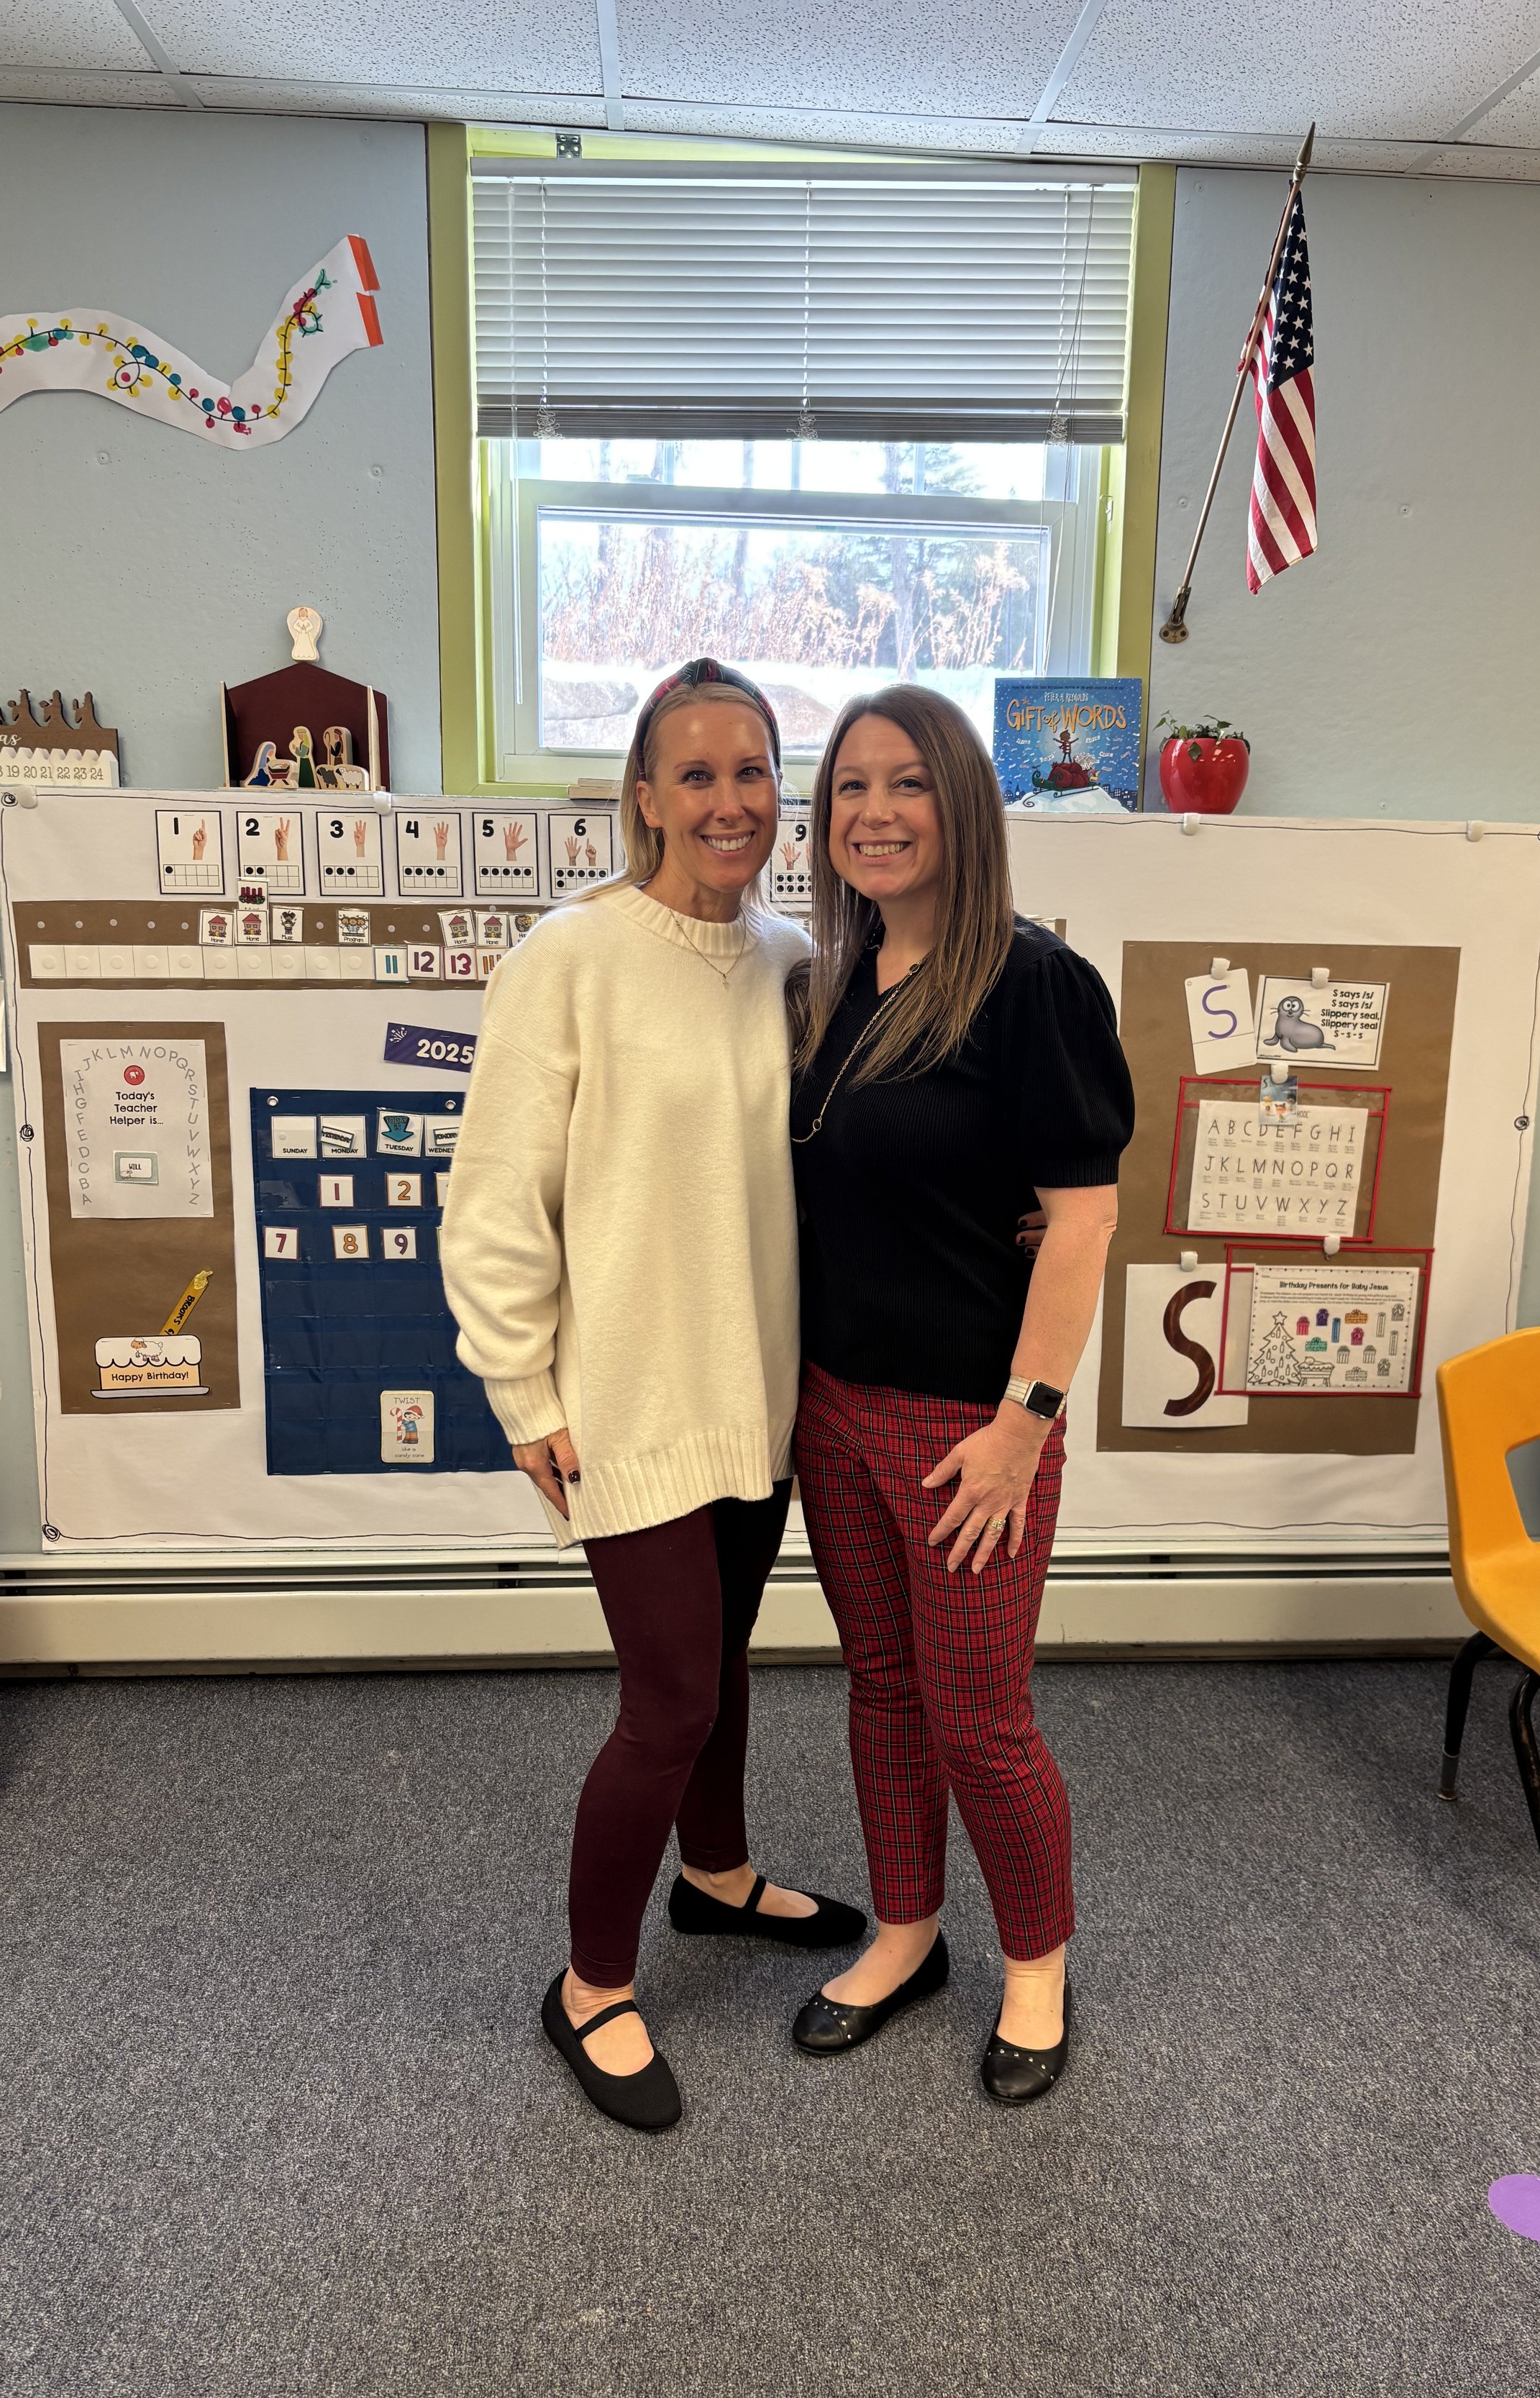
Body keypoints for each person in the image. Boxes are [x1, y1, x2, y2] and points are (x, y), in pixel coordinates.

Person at [440, 658, 864, 2135]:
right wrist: (521, 1386)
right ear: (640, 795)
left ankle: (720, 1873)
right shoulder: (569, 955)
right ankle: (590, 1983)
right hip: (622, 1391)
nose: (729, 800)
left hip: (755, 1383)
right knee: (668, 1695)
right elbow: (494, 1196)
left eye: (751, 771)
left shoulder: (795, 959)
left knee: (728, 1655)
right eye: (695, 774)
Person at [785, 685, 1133, 2107]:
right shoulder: (828, 978)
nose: (872, 808)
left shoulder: (1031, 980)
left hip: (967, 1429)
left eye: (907, 782)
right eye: (850, 784)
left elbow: (1084, 1219)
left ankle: (1035, 1963)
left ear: (962, 808)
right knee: (879, 1689)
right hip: (832, 1406)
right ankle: (906, 1926)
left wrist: (1019, 1427)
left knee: (977, 1715)